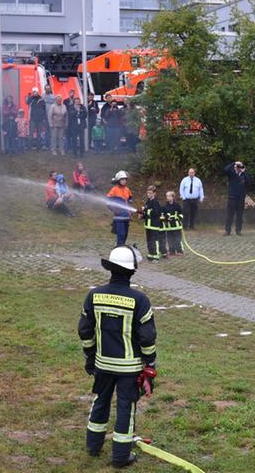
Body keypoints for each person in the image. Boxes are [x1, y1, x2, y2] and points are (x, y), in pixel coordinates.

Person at [77, 245, 157, 468]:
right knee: (125, 408)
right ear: (132, 271)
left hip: (102, 364)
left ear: (110, 269)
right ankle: (121, 456)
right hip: (129, 369)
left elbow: (84, 330)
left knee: (100, 401)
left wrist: (90, 356)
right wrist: (150, 365)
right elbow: (147, 337)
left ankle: (93, 446)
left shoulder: (94, 295)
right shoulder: (139, 300)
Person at [224, 161, 250, 236]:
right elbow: (226, 169)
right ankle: (227, 230)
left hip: (241, 199)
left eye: (240, 167)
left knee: (239, 216)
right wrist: (234, 163)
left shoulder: (244, 175)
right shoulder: (231, 174)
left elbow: (249, 182)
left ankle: (238, 230)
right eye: (237, 167)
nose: (238, 168)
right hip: (232, 198)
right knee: (229, 215)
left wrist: (244, 172)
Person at [107, 171, 133, 246]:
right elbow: (108, 202)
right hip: (119, 217)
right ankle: (118, 248)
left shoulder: (127, 190)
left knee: (125, 235)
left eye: (125, 179)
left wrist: (129, 211)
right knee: (121, 234)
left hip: (126, 217)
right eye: (122, 179)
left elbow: (129, 201)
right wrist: (114, 210)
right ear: (118, 180)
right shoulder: (114, 189)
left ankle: (122, 249)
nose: (124, 181)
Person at [140, 185, 164, 261]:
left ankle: (156, 254)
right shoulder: (148, 202)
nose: (149, 194)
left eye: (150, 193)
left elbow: (156, 213)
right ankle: (151, 253)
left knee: (155, 240)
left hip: (154, 225)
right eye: (148, 193)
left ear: (154, 193)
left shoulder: (155, 202)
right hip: (148, 225)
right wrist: (142, 215)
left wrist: (146, 210)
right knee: (149, 240)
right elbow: (147, 213)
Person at [163, 191, 184, 256]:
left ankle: (179, 250)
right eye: (167, 196)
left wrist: (177, 218)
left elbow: (181, 214)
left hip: (177, 226)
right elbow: (163, 215)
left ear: (173, 197)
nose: (168, 198)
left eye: (169, 196)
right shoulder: (165, 206)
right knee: (170, 239)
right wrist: (166, 218)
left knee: (177, 238)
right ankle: (171, 251)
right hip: (169, 226)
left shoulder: (177, 205)